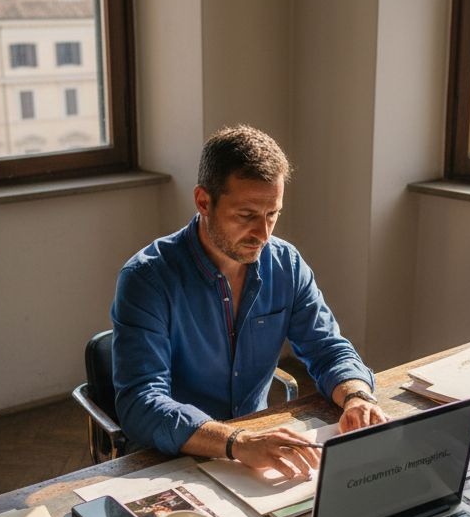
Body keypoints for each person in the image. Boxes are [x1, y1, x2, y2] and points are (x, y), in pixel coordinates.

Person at [112, 125, 388, 478]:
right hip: (173, 459)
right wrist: (236, 441)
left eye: (272, 214)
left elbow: (328, 349)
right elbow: (141, 404)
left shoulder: (286, 265)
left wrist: (357, 396)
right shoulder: (147, 278)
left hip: (254, 451)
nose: (263, 233)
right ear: (203, 202)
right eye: (247, 216)